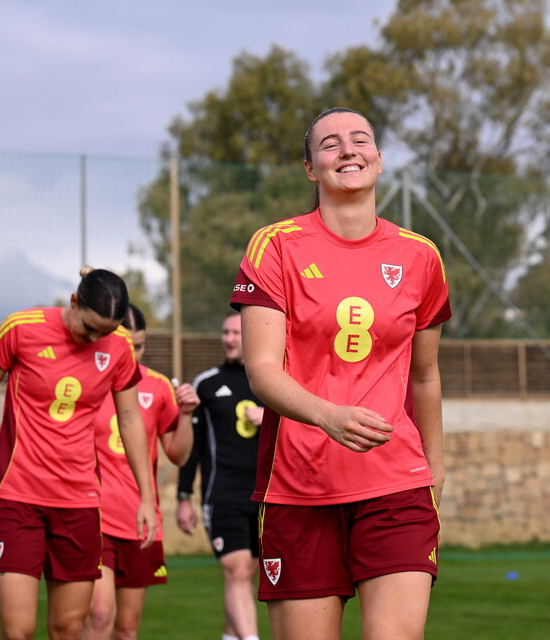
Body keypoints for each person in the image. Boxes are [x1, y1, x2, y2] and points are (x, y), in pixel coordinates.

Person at [230, 106, 451, 640]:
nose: (348, 149)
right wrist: (327, 416)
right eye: (330, 144)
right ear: (311, 168)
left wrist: (436, 469)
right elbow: (261, 371)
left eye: (360, 139)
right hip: (298, 489)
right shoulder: (275, 245)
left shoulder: (420, 256)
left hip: (396, 485)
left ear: (379, 159)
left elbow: (425, 376)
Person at [0, 267, 158, 640]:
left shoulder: (119, 346)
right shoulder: (21, 328)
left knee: (68, 629)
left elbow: (130, 419)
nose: (95, 339)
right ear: (73, 302)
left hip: (79, 503)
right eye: (89, 328)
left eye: (105, 332)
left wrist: (146, 496)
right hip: (16, 497)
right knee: (17, 631)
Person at [86, 304, 199, 640]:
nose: (133, 354)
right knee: (100, 615)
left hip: (138, 519)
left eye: (140, 346)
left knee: (126, 628)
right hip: (93, 517)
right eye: (127, 345)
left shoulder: (158, 386)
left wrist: (186, 415)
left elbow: (178, 455)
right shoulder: (88, 379)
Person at [176, 310, 264, 640]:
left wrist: (271, 415)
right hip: (223, 495)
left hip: (265, 496)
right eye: (225, 333)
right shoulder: (207, 383)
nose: (228, 339)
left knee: (247, 574)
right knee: (237, 570)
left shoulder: (271, 383)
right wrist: (183, 497)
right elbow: (191, 448)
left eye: (236, 333)